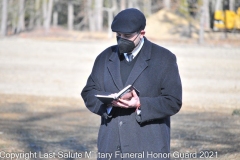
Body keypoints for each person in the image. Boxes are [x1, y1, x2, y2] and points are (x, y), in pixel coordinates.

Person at [81, 8, 182, 160]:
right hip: (110, 149)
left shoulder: (164, 59)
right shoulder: (104, 57)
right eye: (118, 35)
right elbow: (88, 92)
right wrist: (109, 102)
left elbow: (173, 101)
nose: (121, 39)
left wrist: (140, 103)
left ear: (142, 33)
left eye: (127, 36)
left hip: (149, 150)